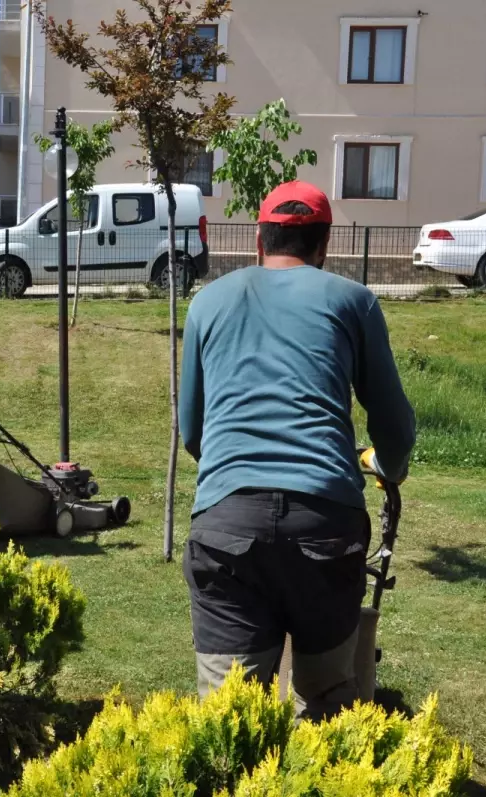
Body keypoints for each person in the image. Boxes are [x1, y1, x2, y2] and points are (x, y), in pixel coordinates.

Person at [177, 181, 416, 720]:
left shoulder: (207, 301)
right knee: (328, 706)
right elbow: (395, 427)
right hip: (325, 524)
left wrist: (234, 479)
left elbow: (192, 430)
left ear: (259, 242)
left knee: (229, 719)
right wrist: (386, 467)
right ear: (323, 246)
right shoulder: (354, 301)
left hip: (226, 526)